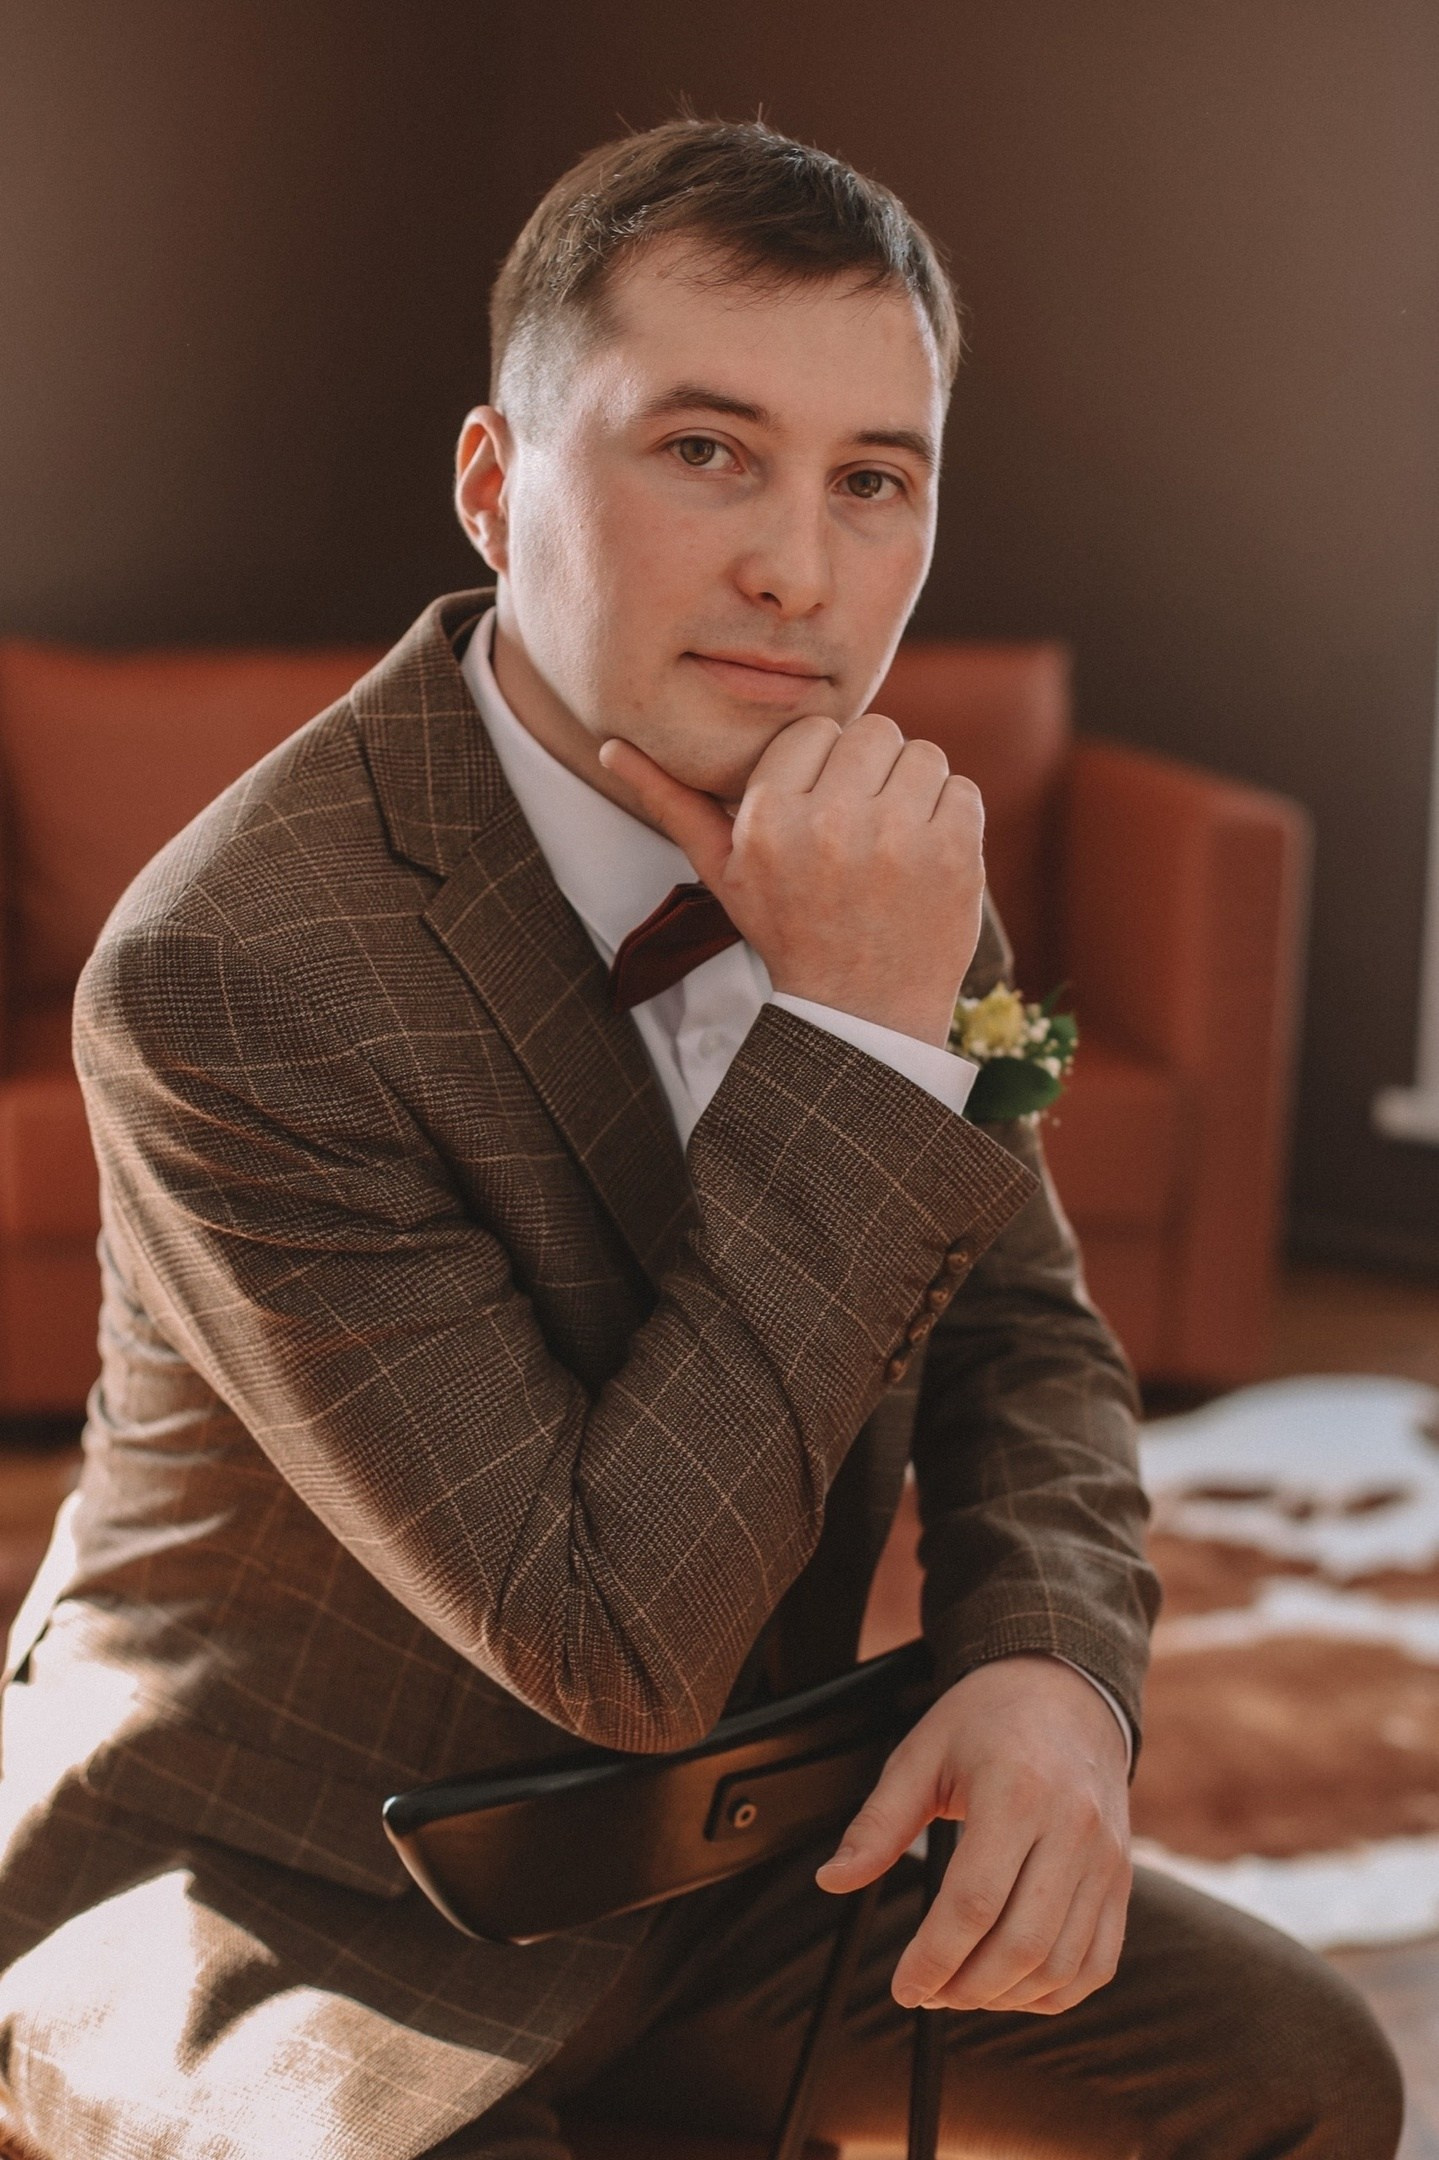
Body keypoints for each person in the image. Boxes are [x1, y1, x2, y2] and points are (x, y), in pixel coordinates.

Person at [0, 116, 1401, 2160]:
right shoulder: (229, 971)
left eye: (872, 481)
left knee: (1302, 2082)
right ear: (495, 485)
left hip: (734, 1849)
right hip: (286, 1888)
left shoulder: (892, 864)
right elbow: (609, 1638)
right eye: (705, 450)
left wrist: (1051, 1670)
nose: (798, 570)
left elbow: (1023, 1333)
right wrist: (849, 1031)